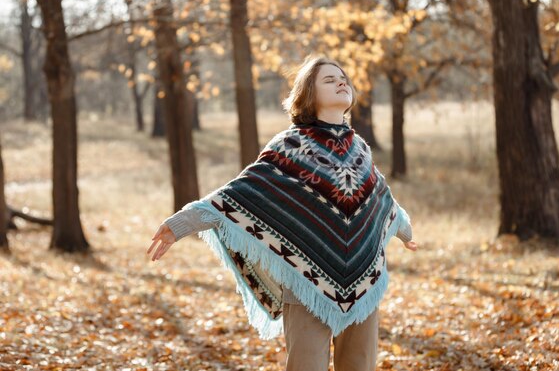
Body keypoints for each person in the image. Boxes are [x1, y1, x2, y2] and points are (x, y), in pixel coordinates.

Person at [147, 55, 417, 371]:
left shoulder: (358, 148)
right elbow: (239, 193)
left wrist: (405, 232)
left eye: (343, 77)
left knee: (359, 365)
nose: (341, 82)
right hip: (305, 278)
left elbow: (381, 201)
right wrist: (180, 224)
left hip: (363, 282)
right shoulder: (290, 145)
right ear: (308, 94)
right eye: (329, 80)